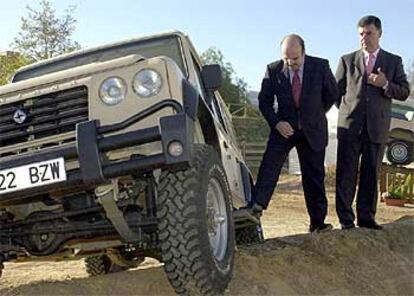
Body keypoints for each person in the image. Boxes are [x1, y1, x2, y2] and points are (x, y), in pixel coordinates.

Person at [251, 34, 338, 233]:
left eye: (295, 58)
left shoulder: (320, 66)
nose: (291, 63)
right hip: (284, 128)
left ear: (303, 52)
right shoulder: (273, 70)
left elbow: (332, 94)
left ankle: (318, 223)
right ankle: (256, 208)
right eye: (286, 59)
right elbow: (264, 102)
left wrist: (314, 114)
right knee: (269, 166)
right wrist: (277, 123)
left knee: (314, 176)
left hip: (312, 130)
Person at [335, 15, 410, 230]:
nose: (364, 38)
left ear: (379, 33)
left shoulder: (392, 61)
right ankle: (346, 220)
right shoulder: (346, 60)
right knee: (346, 174)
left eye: (369, 33)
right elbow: (335, 92)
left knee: (370, 174)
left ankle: (366, 219)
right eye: (361, 34)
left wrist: (385, 83)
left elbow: (404, 92)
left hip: (376, 128)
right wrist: (348, 111)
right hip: (350, 127)